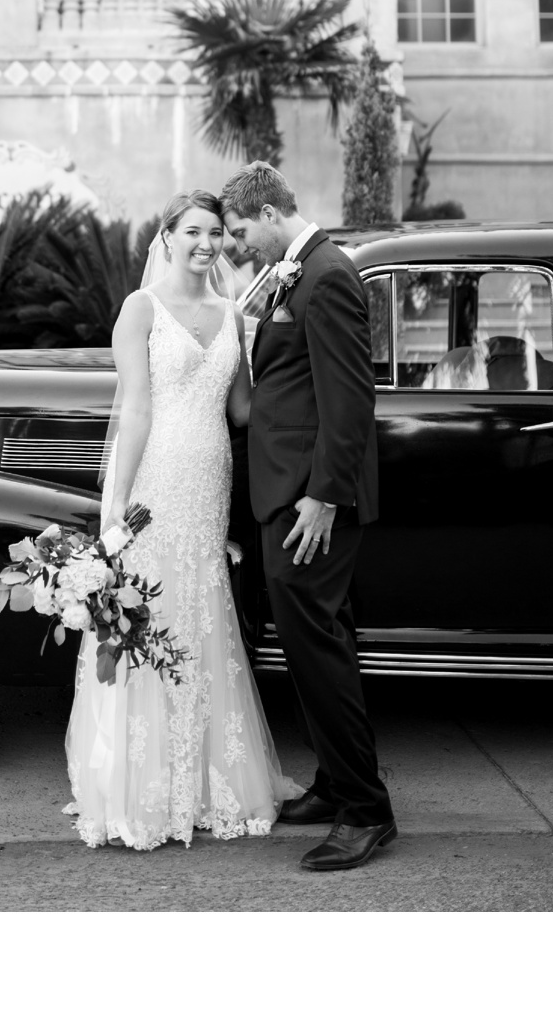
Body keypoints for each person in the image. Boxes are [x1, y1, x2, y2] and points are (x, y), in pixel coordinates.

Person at [66, 190, 297, 850]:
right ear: (165, 236)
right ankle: (142, 786)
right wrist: (115, 513)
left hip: (209, 479)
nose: (207, 242)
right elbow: (135, 411)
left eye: (217, 232)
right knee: (149, 612)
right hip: (154, 482)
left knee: (199, 613)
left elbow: (245, 409)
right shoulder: (139, 310)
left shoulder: (234, 315)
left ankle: (201, 782)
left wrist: (297, 360)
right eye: (193, 230)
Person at [221, 162, 396, 872]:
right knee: (321, 648)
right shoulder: (298, 271)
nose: (239, 246)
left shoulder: (326, 275)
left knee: (317, 650)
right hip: (292, 494)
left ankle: (366, 813)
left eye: (240, 232)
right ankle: (335, 783)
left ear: (267, 212)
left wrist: (323, 496)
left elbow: (351, 401)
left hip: (309, 505)